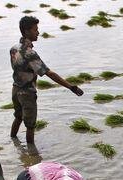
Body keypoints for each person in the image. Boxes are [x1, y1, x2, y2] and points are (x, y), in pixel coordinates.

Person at [10, 16, 84, 145]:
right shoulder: (30, 53)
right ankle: (32, 155)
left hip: (15, 89)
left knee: (18, 117)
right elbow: (49, 73)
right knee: (30, 126)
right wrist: (71, 87)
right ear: (27, 31)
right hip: (27, 93)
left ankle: (13, 140)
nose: (38, 32)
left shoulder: (14, 48)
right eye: (35, 30)